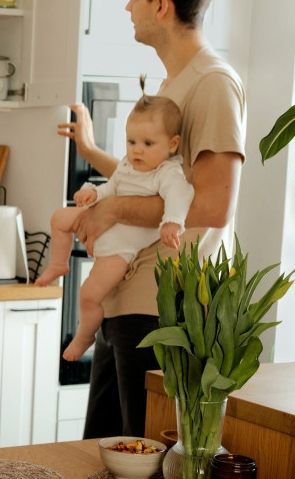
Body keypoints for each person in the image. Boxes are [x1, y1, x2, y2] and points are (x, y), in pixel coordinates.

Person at [56, 0, 246, 439]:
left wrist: (113, 207)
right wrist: (96, 157)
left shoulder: (213, 85)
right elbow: (158, 180)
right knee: (102, 454)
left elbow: (212, 205)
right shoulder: (174, 85)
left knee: (136, 463)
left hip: (163, 305)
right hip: (127, 300)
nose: (127, 6)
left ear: (160, 6)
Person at [38, 90, 193, 363]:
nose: (136, 149)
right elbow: (113, 186)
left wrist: (172, 222)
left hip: (121, 249)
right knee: (59, 218)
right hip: (106, 222)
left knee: (88, 295)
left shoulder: (167, 173)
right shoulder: (128, 164)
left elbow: (180, 196)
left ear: (172, 144)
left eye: (147, 143)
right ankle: (58, 264)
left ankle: (84, 334)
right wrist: (94, 194)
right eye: (131, 141)